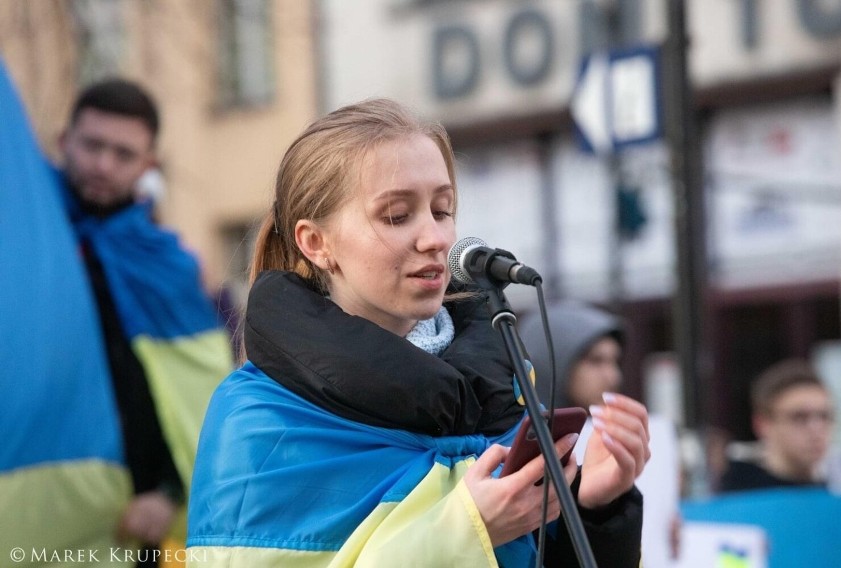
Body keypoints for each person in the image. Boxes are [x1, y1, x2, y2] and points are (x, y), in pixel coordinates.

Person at [186, 98, 650, 567]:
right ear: (316, 243)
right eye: (396, 215)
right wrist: (465, 534)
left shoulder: (503, 388)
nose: (434, 239)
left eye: (442, 209)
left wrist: (591, 508)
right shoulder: (258, 420)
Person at [1, 74, 233, 567]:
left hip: (133, 528)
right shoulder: (21, 238)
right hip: (31, 514)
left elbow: (200, 401)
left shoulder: (169, 269)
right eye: (92, 145)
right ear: (65, 142)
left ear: (148, 165)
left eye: (123, 154)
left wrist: (169, 493)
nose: (103, 164)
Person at [518, 301, 682, 567]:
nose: (612, 376)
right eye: (595, 361)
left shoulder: (620, 431)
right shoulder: (512, 441)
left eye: (615, 361)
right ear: (552, 361)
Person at [719, 359, 834, 493]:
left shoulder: (834, 495)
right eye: (799, 417)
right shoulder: (734, 495)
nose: (816, 429)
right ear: (762, 425)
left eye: (824, 416)